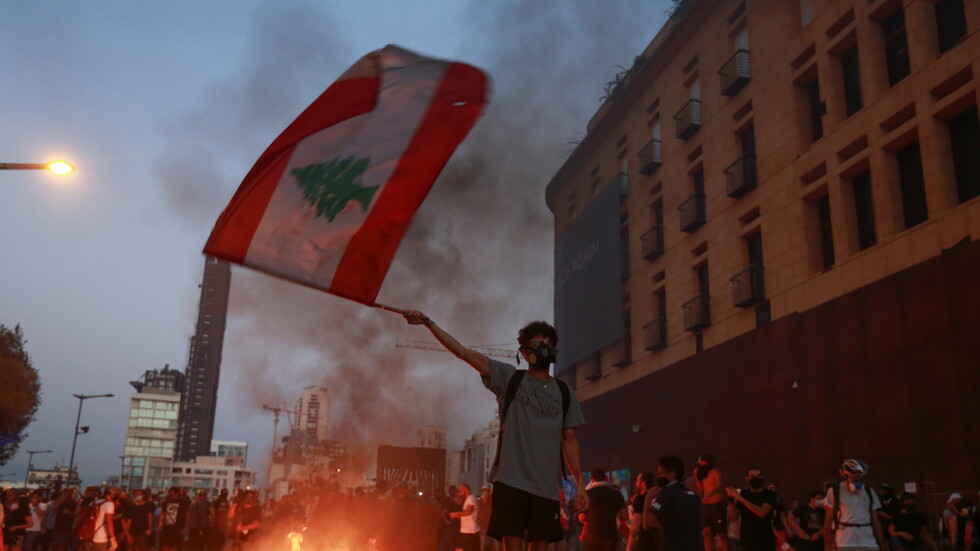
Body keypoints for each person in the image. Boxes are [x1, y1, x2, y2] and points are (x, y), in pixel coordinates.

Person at [402, 310, 587, 551]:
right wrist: (428, 323)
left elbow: (570, 440)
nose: (543, 348)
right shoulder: (510, 378)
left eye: (548, 343)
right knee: (511, 545)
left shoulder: (565, 393)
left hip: (546, 489)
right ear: (524, 352)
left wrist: (581, 484)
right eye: (536, 344)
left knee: (540, 546)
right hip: (511, 483)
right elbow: (464, 353)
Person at [822, 459, 888, 551]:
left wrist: (883, 547)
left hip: (867, 539)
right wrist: (827, 547)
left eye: (860, 476)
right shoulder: (835, 492)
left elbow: (876, 522)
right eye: (854, 476)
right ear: (846, 475)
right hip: (845, 540)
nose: (858, 479)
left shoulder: (869, 492)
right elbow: (828, 522)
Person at [644, 456, 701, 551]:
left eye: (660, 473)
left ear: (672, 474)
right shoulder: (692, 494)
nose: (658, 477)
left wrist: (648, 498)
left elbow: (647, 524)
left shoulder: (666, 492)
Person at [725, 466, 777, 551]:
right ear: (747, 478)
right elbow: (733, 517)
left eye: (758, 475)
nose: (756, 478)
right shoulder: (744, 493)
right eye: (752, 476)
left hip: (765, 541)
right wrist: (731, 501)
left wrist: (742, 499)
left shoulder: (769, 494)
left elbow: (762, 513)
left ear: (762, 477)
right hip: (747, 541)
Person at [578, 468, 627, 551]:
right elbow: (625, 516)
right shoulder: (616, 494)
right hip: (610, 539)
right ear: (604, 477)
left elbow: (582, 517)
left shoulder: (587, 494)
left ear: (592, 479)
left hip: (591, 538)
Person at [693, 455, 728, 551]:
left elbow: (720, 484)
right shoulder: (702, 474)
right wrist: (696, 477)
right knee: (706, 533)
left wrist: (710, 494)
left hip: (717, 505)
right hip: (706, 506)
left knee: (722, 534)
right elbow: (700, 489)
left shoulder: (714, 471)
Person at [626, 473, 658, 551]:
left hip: (643, 542)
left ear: (643, 483)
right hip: (657, 542)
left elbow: (636, 526)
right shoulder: (657, 497)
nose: (635, 483)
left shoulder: (640, 499)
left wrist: (629, 547)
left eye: (637, 481)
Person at [450, 484, 481, 551]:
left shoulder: (471, 498)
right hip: (465, 531)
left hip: (470, 531)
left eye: (460, 490)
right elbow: (468, 515)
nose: (459, 492)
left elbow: (468, 512)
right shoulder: (468, 499)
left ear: (465, 489)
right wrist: (457, 516)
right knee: (459, 548)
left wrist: (455, 514)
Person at [90, 487, 119, 551]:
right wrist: (113, 539)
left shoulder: (94, 502)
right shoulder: (109, 504)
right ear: (112, 495)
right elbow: (109, 522)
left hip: (89, 535)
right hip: (101, 537)